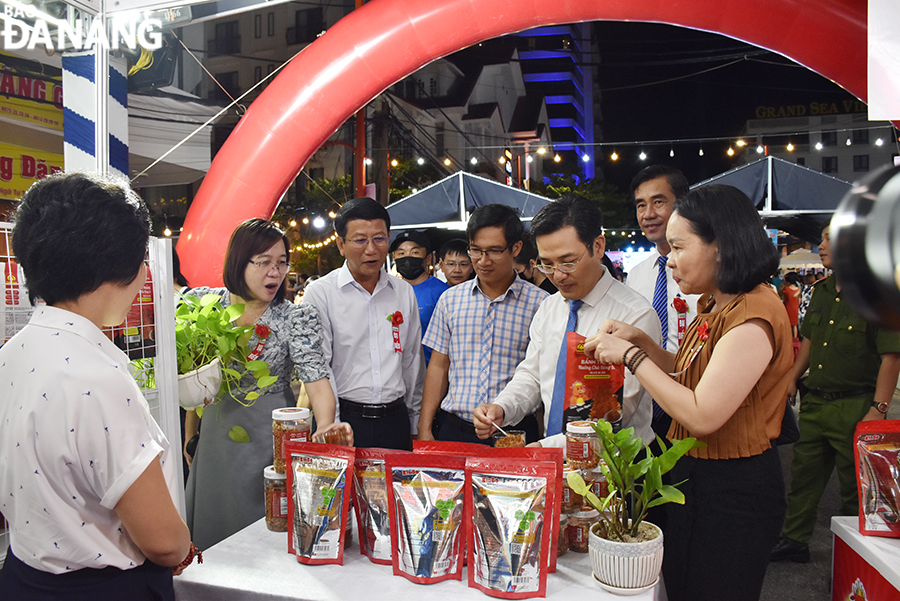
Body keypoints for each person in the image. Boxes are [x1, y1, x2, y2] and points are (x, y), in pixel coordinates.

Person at [587, 184, 792, 601]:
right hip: (697, 475)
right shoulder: (717, 305)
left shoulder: (754, 314)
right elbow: (687, 374)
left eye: (679, 247)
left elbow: (702, 413)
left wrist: (631, 357)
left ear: (721, 245)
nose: (671, 259)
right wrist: (642, 342)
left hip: (734, 489)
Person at [0, 173, 192, 600]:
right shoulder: (98, 378)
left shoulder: (11, 354)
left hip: (22, 579)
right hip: (101, 588)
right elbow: (163, 541)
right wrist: (183, 546)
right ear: (117, 266)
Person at [184, 218, 347, 550]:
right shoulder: (206, 305)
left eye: (281, 262)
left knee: (262, 531)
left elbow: (317, 381)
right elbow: (196, 376)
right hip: (215, 437)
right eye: (264, 263)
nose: (275, 272)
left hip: (270, 438)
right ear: (239, 262)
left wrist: (326, 425)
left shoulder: (294, 318)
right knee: (211, 531)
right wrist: (191, 437)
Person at [473, 195, 659, 447]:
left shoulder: (635, 315)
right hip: (554, 458)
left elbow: (616, 413)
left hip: (616, 468)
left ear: (598, 246)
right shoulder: (550, 307)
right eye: (547, 264)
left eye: (568, 262)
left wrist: (544, 449)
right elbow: (533, 375)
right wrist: (503, 407)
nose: (558, 275)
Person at [770, 224, 900, 564]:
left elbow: (892, 355)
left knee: (857, 489)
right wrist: (792, 377)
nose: (821, 245)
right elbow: (810, 340)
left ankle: (859, 556)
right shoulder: (823, 290)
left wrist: (879, 409)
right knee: (804, 478)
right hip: (816, 402)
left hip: (857, 405)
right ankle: (794, 541)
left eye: (829, 239)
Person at [418, 204, 548, 444]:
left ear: (516, 248)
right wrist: (425, 427)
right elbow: (438, 366)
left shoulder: (541, 304)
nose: (483, 261)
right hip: (455, 430)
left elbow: (542, 375)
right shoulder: (451, 300)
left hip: (513, 433)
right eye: (476, 251)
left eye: (494, 251)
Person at [303, 197, 425, 450]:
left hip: (395, 420)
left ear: (388, 238)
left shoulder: (403, 292)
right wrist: (332, 426)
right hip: (345, 418)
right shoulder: (321, 292)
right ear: (340, 244)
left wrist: (414, 421)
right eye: (360, 240)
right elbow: (319, 366)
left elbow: (412, 361)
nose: (371, 249)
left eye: (379, 239)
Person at [626, 165, 701, 439]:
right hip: (645, 405)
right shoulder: (636, 275)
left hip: (697, 395)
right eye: (641, 205)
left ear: (682, 205)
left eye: (658, 202)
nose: (648, 214)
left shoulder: (706, 275)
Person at [389, 230, 449, 364]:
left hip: (432, 373)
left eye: (414, 252)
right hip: (398, 377)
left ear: (427, 258)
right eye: (401, 253)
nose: (407, 257)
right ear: (394, 257)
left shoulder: (444, 293)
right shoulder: (388, 293)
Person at [781, 271, 802, 341]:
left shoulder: (786, 289)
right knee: (794, 325)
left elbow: (779, 294)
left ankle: (787, 338)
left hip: (787, 308)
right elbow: (799, 301)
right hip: (795, 308)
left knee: (787, 324)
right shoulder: (799, 289)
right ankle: (795, 338)